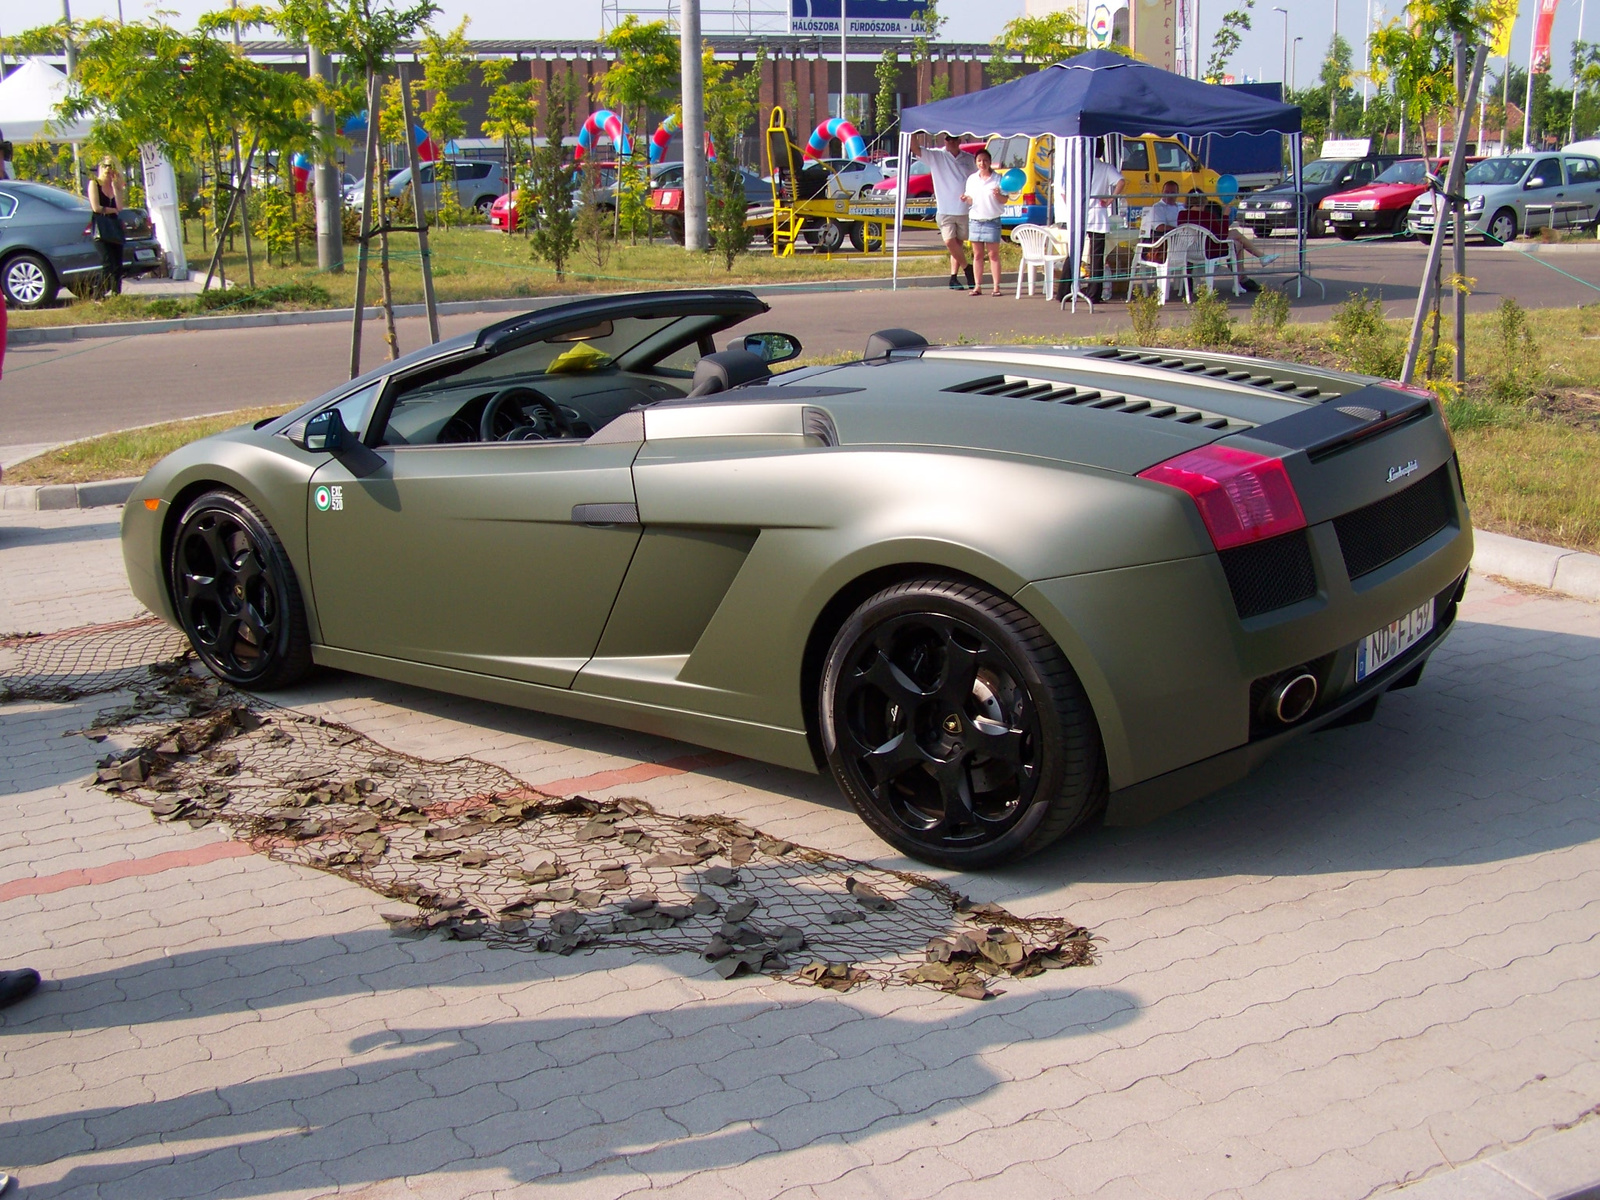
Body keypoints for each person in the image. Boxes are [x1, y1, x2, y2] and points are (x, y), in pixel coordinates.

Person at [1055, 145, 1125, 304]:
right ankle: (1094, 294)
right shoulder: (1105, 167)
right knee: (1097, 256)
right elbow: (1121, 181)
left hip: (1079, 212)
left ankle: (1063, 292)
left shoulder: (1078, 167)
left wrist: (1071, 205)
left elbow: (1063, 190)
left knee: (1074, 253)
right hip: (1097, 213)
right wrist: (1110, 198)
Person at [911, 132, 976, 290]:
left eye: (954, 139)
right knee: (949, 241)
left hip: (964, 209)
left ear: (959, 140)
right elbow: (915, 149)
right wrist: (912, 131)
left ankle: (953, 277)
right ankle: (968, 269)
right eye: (948, 139)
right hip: (945, 209)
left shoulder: (968, 158)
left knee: (958, 244)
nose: (951, 142)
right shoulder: (937, 156)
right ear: (944, 140)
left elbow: (976, 179)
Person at [961, 148, 1006, 296]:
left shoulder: (998, 179)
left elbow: (1004, 200)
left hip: (992, 220)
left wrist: (998, 194)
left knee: (993, 254)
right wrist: (965, 199)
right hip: (975, 220)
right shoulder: (972, 179)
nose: (982, 163)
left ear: (990, 162)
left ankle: (996, 287)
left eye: (985, 160)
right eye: (979, 160)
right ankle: (977, 286)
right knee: (977, 255)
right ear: (976, 162)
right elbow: (970, 199)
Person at [87, 158, 127, 297]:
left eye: (111, 167)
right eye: (105, 166)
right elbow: (96, 207)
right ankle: (98, 295)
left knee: (118, 264)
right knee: (107, 263)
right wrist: (112, 210)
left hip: (114, 225)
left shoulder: (115, 185)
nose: (108, 169)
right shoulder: (94, 183)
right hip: (101, 225)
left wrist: (116, 187)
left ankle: (116, 294)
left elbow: (120, 207)